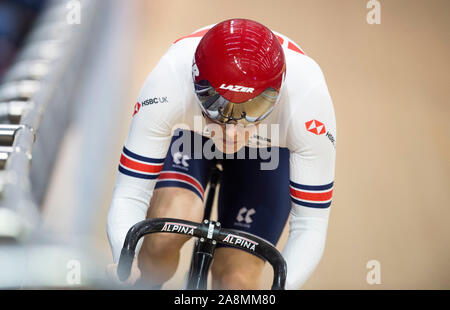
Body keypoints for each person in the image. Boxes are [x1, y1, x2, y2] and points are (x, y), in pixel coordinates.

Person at [106, 18, 336, 289]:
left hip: (267, 149)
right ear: (195, 82)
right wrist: (127, 260)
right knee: (166, 231)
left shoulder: (308, 102)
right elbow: (130, 192)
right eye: (216, 108)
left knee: (235, 279)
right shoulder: (169, 80)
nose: (231, 134)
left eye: (252, 112)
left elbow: (310, 224)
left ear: (278, 95)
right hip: (195, 136)